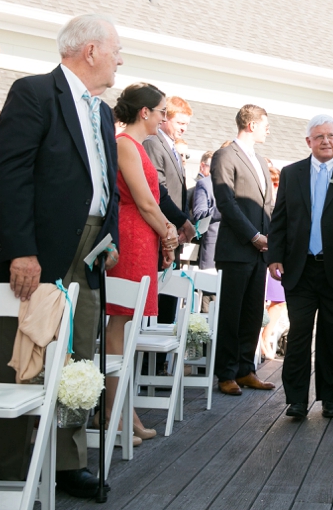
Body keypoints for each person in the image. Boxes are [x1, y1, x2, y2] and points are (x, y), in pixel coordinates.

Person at [0, 14, 121, 498]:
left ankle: (67, 463)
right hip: (38, 248)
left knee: (80, 355)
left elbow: (108, 187)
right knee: (23, 355)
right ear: (90, 51)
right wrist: (21, 249)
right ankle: (12, 469)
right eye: (115, 50)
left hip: (89, 251)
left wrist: (112, 237)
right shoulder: (35, 92)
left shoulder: (103, 112)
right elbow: (8, 174)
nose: (120, 59)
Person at [267, 115, 333, 418]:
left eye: (331, 135)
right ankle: (297, 400)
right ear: (308, 142)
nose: (326, 141)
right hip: (299, 269)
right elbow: (280, 219)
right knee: (299, 335)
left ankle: (330, 397)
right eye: (320, 136)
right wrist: (274, 255)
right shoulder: (291, 173)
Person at [106, 83, 179, 444]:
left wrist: (164, 237)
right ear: (144, 112)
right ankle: (113, 411)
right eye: (163, 111)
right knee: (119, 322)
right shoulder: (124, 144)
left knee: (128, 325)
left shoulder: (139, 147)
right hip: (132, 234)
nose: (166, 117)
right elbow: (147, 202)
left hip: (143, 237)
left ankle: (124, 408)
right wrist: (169, 234)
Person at [211, 105, 276, 395]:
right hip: (236, 249)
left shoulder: (262, 161)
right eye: (265, 124)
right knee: (231, 313)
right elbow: (226, 203)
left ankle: (246, 370)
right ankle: (225, 374)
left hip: (261, 251)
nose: (268, 129)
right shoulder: (225, 155)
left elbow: (269, 205)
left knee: (252, 313)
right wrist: (253, 236)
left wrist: (270, 237)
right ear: (251, 124)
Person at [143, 95, 194, 327]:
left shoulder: (172, 147)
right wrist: (181, 221)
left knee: (168, 295)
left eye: (186, 124)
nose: (183, 128)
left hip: (173, 233)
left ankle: (161, 359)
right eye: (179, 122)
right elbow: (158, 190)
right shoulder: (154, 144)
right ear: (164, 118)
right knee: (157, 297)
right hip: (160, 230)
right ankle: (150, 362)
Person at [260, 158, 286, 360]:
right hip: (262, 252)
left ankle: (266, 337)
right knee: (264, 301)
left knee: (279, 301)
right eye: (273, 183)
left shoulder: (283, 199)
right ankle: (261, 340)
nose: (275, 187)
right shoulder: (263, 200)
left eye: (277, 183)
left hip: (280, 253)